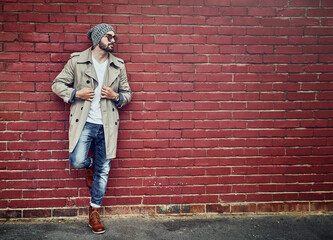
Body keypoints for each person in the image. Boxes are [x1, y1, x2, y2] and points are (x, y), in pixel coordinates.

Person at [52, 23, 132, 234]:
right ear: (98, 39)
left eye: (115, 37)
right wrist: (76, 93)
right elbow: (57, 84)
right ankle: (90, 165)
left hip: (108, 125)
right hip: (85, 122)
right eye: (109, 36)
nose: (114, 40)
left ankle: (94, 212)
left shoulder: (118, 65)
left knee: (103, 170)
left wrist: (115, 96)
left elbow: (127, 93)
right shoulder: (77, 61)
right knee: (77, 160)